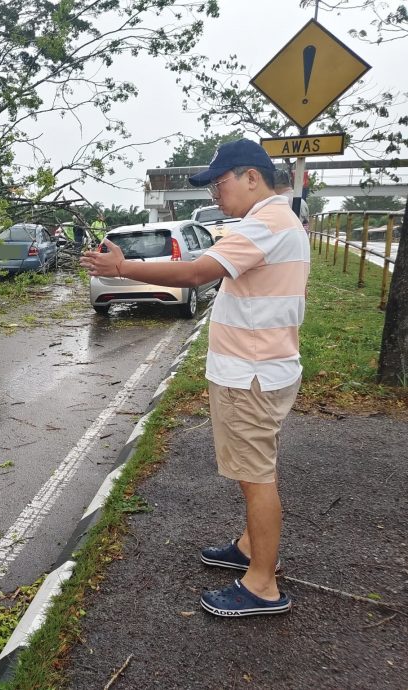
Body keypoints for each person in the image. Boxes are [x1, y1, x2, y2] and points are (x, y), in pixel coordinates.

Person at [79, 139, 310, 617]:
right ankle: (250, 548)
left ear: (251, 176)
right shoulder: (274, 221)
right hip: (262, 368)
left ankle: (262, 585)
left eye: (220, 184)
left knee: (256, 476)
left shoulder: (266, 223)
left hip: (250, 374)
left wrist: (123, 267)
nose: (216, 196)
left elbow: (197, 272)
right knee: (254, 471)